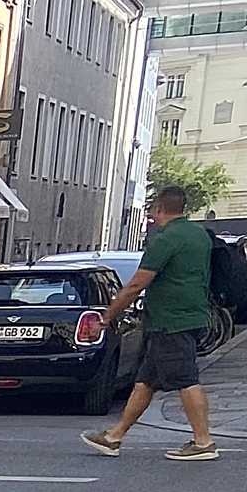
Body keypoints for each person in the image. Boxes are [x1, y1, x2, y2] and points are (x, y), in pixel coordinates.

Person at [83, 183, 221, 461]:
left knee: (186, 380)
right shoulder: (200, 236)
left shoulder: (165, 239)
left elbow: (137, 284)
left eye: (153, 212)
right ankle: (115, 436)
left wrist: (108, 317)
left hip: (172, 322)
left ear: (159, 209)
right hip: (187, 316)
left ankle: (203, 442)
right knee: (145, 381)